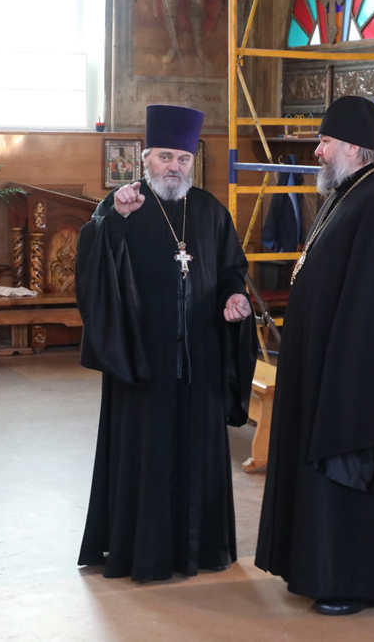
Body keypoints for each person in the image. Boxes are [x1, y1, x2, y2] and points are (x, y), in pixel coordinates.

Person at [255, 96, 374, 615]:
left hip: (357, 374)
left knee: (352, 467)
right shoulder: (346, 194)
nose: (317, 151)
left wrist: (344, 372)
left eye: (325, 142)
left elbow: (373, 305)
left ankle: (358, 581)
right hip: (325, 364)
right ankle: (322, 570)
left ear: (353, 147)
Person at [76, 104, 257, 582]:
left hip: (200, 358)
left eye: (183, 159)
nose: (174, 167)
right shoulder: (125, 204)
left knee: (197, 452)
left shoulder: (210, 211)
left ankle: (201, 549)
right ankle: (144, 552)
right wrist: (114, 220)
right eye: (165, 157)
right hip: (144, 359)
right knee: (147, 453)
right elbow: (92, 262)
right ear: (145, 158)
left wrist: (234, 296)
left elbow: (231, 269)